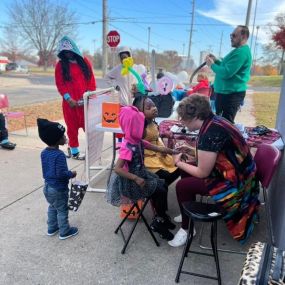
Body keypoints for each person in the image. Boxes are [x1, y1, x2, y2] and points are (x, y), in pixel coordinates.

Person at [168, 95, 260, 247]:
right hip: (242, 173)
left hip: (236, 184)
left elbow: (202, 173)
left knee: (181, 185)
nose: (180, 121)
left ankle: (187, 229)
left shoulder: (209, 135)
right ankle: (187, 212)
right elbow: (217, 154)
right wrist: (190, 150)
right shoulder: (217, 121)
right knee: (187, 171)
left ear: (196, 116)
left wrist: (177, 162)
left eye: (183, 118)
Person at [106, 106, 178, 240]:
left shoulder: (137, 141)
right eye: (143, 128)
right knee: (160, 190)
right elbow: (118, 169)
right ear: (134, 128)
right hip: (131, 182)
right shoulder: (127, 147)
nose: (146, 130)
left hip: (141, 174)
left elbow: (155, 147)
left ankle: (160, 217)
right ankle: (159, 221)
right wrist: (135, 178)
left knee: (162, 186)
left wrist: (172, 151)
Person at [133, 94, 180, 209]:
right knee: (162, 182)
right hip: (148, 161)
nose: (154, 108)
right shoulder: (140, 129)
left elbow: (156, 138)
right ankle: (159, 207)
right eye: (149, 107)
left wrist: (164, 148)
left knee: (182, 167)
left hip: (159, 156)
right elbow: (140, 146)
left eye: (154, 105)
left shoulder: (153, 123)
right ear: (139, 113)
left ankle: (159, 194)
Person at [55, 36, 96, 160]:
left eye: (69, 51)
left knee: (88, 127)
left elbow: (91, 80)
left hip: (85, 102)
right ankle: (74, 151)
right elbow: (60, 84)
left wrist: (88, 95)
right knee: (72, 128)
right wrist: (68, 99)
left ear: (74, 50)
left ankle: (92, 150)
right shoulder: (60, 65)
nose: (68, 54)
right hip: (70, 104)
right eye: (65, 52)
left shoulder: (84, 61)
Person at [37, 118, 78, 240]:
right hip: (58, 189)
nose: (65, 137)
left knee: (52, 207)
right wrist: (71, 174)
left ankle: (52, 227)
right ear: (57, 139)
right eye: (63, 135)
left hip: (48, 187)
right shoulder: (59, 155)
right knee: (62, 210)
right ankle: (64, 231)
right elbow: (61, 174)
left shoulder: (44, 153)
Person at [205, 25, 252, 123]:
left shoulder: (241, 53)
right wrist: (216, 61)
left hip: (230, 95)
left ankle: (226, 138)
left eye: (234, 35)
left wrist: (212, 65)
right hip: (226, 94)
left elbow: (227, 73)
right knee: (221, 123)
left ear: (243, 37)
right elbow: (226, 66)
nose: (231, 37)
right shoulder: (238, 51)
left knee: (225, 125)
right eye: (231, 35)